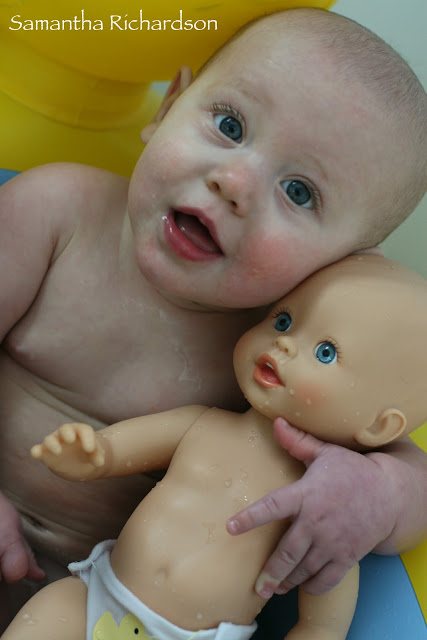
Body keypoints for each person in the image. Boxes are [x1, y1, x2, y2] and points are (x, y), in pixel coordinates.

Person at [0, 6, 426, 626]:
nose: (234, 182)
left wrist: (377, 493)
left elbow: (412, 470)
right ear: (169, 105)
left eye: (299, 192)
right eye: (230, 125)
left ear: (346, 262)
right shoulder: (55, 214)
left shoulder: (281, 348)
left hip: (109, 614)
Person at [3, 255, 427, 640]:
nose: (283, 343)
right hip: (99, 595)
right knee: (54, 607)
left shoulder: (323, 510)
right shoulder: (202, 425)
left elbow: (321, 626)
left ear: (379, 425)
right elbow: (113, 451)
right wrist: (90, 454)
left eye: (325, 352)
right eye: (283, 321)